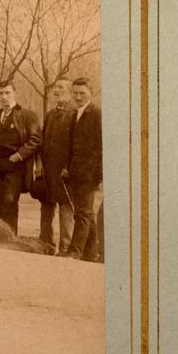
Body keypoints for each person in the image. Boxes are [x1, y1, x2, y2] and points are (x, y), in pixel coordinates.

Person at [0, 81, 42, 233]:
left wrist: (19, 155)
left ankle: (10, 237)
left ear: (15, 93)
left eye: (7, 93)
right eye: (1, 93)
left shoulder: (26, 115)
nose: (4, 97)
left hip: (15, 167)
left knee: (9, 201)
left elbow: (36, 139)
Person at [63, 77, 103, 260]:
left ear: (91, 93)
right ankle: (91, 254)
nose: (78, 97)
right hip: (75, 172)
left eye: (82, 93)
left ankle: (75, 251)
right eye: (75, 93)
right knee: (86, 213)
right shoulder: (74, 114)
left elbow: (102, 147)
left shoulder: (97, 115)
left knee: (82, 213)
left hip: (89, 173)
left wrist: (100, 176)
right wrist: (67, 167)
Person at [38, 77, 76, 254]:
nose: (56, 90)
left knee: (66, 207)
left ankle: (65, 248)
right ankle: (45, 244)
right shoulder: (50, 114)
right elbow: (43, 141)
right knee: (46, 205)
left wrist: (69, 167)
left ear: (70, 92)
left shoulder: (74, 114)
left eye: (61, 87)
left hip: (65, 171)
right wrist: (40, 164)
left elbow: (76, 144)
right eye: (55, 87)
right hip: (48, 169)